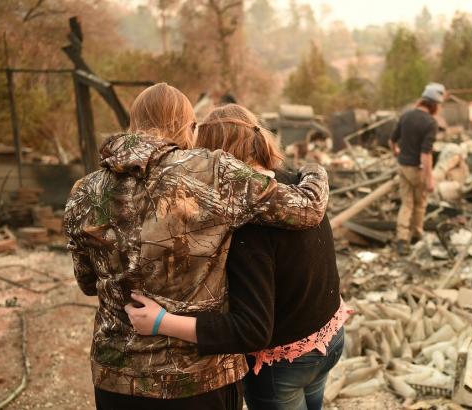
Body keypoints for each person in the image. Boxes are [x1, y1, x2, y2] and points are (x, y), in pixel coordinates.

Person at [63, 84, 329, 410]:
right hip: (201, 380)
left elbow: (88, 283)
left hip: (116, 377)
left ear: (133, 124)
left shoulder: (83, 190)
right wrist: (314, 168)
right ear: (187, 127)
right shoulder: (213, 172)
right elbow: (309, 208)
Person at [126, 103, 349, 410]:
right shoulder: (297, 186)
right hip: (331, 336)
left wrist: (162, 322)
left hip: (284, 363)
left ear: (214, 156)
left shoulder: (247, 225)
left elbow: (251, 330)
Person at [389, 82, 445, 255]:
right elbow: (426, 155)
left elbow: (392, 140)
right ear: (434, 105)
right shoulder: (430, 123)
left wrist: (396, 153)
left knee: (406, 204)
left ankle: (402, 240)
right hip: (417, 169)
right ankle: (416, 235)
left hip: (403, 166)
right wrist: (429, 179)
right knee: (420, 204)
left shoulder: (405, 116)